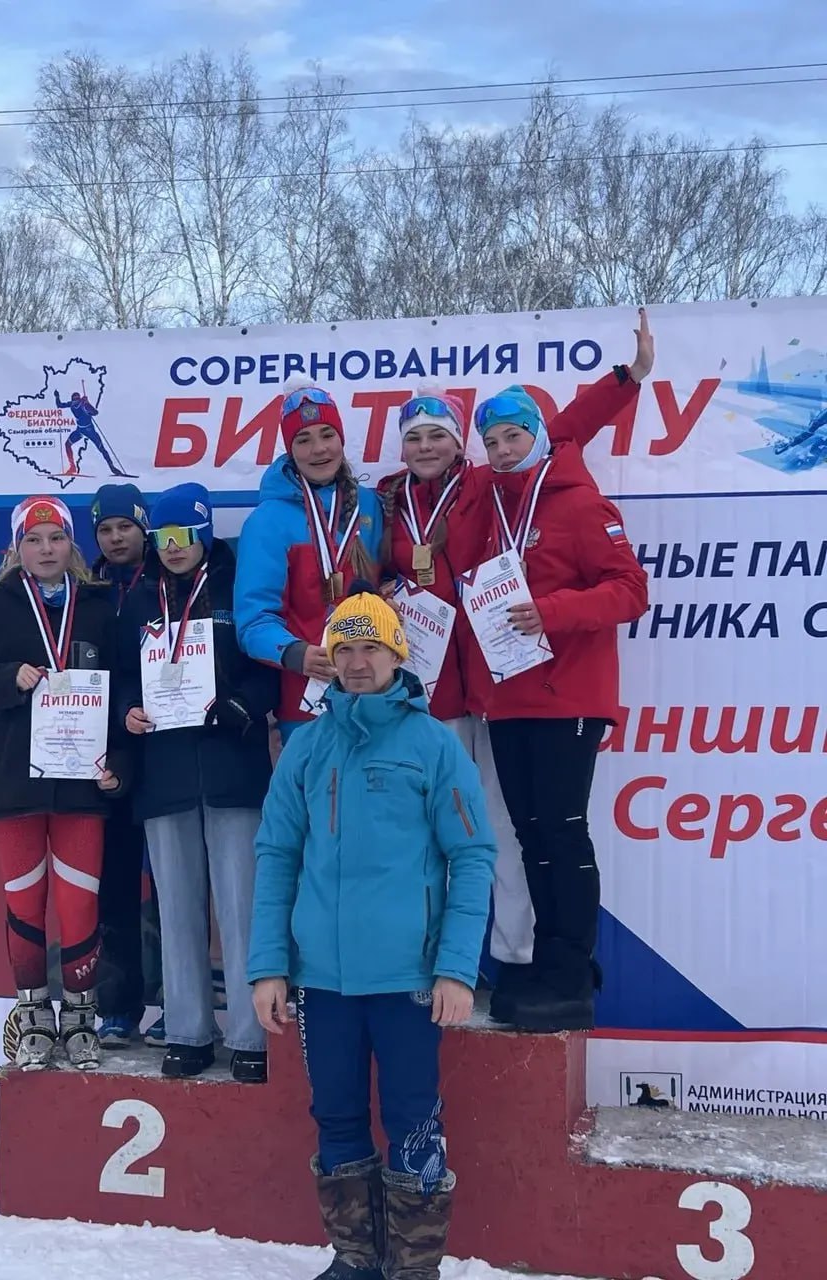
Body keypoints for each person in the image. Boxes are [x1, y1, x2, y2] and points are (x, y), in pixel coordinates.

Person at [377, 314, 654, 982]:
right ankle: (439, 964)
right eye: (413, 437)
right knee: (489, 830)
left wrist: (628, 378)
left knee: (515, 830)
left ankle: (521, 958)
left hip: (507, 684)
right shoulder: (387, 503)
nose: (426, 447)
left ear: (458, 446)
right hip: (444, 688)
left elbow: (563, 429)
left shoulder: (489, 487)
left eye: (439, 435)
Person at [248, 585, 496, 1280]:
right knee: (336, 1117)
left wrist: (456, 968)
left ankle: (413, 1267)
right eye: (344, 649)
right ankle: (355, 1259)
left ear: (398, 654)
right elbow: (276, 856)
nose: (356, 663)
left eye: (371, 648)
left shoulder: (433, 745)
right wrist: (269, 967)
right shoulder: (306, 748)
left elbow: (473, 857)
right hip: (322, 981)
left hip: (407, 978)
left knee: (414, 1119)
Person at [467, 321, 652, 1034]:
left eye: (514, 436)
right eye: (492, 441)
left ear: (539, 437)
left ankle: (573, 975)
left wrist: (551, 612)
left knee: (563, 832)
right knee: (530, 836)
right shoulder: (495, 502)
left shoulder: (577, 501)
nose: (503, 450)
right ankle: (547, 968)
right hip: (508, 699)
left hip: (568, 696)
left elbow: (630, 591)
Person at [0, 495, 125, 1070]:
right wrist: (4, 680)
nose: (46, 549)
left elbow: (124, 696)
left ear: (72, 545)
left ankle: (82, 1017)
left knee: (78, 903)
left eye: (56, 538)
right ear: (16, 549)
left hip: (81, 785)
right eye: (34, 540)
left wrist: (119, 766)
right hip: (14, 786)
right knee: (25, 904)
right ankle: (34, 1014)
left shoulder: (98, 609)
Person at [118, 483, 278, 1083]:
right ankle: (187, 1030)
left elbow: (268, 667)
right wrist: (128, 711)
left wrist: (245, 705)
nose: (175, 546)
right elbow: (121, 676)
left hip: (233, 769)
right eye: (164, 537)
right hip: (165, 774)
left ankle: (251, 1034)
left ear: (206, 532)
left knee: (241, 908)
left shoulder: (238, 587)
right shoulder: (139, 599)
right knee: (177, 907)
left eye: (186, 534)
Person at [234, 377, 382, 743]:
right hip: (309, 703)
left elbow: (385, 579)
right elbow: (253, 621)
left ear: (341, 438)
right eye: (303, 440)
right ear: (290, 449)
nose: (319, 449)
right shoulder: (267, 521)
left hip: (376, 694)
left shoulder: (368, 505)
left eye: (327, 434)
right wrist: (294, 653)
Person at [88, 484, 165, 1049]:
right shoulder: (86, 591)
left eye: (125, 527)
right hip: (104, 751)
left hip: (161, 746)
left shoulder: (170, 580)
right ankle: (117, 1006)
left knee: (174, 884)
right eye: (105, 529)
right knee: (113, 883)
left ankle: (177, 1001)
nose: (116, 538)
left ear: (144, 529)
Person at [55, 389, 126, 478]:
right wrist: (57, 396)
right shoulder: (72, 404)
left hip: (90, 431)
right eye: (74, 400)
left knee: (101, 449)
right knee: (67, 444)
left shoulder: (83, 404)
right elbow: (59, 405)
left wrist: (88, 404)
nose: (75, 402)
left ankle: (112, 468)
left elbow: (95, 412)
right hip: (80, 430)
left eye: (77, 399)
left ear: (79, 399)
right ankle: (72, 467)